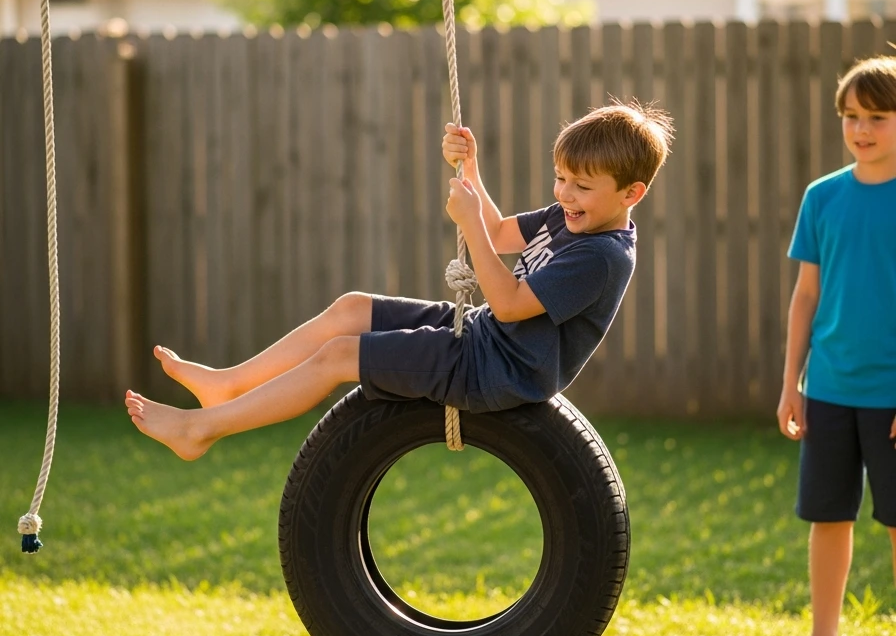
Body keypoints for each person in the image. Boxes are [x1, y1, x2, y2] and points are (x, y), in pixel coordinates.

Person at [125, 100, 672, 460]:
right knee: (351, 308)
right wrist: (472, 173)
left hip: (496, 371)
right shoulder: (572, 215)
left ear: (631, 194)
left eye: (580, 186)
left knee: (341, 353)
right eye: (560, 179)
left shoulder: (601, 256)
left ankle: (203, 430)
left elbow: (507, 303)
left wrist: (469, 228)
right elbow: (504, 230)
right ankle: (227, 384)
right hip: (483, 338)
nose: (563, 194)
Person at [769, 54, 896, 636]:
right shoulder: (823, 197)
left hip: (892, 396)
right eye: (851, 116)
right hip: (829, 390)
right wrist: (792, 382)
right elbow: (806, 296)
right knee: (828, 515)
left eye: (877, 116)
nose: (861, 129)